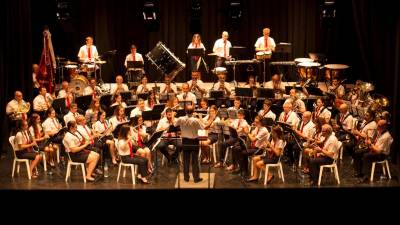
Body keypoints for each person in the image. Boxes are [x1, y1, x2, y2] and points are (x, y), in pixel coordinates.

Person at [174, 105, 204, 182]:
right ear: (193, 112)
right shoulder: (196, 120)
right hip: (194, 141)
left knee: (186, 160)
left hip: (185, 141)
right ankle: (196, 178)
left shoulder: (181, 119)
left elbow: (174, 125)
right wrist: (199, 118)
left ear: (185, 111)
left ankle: (186, 177)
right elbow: (202, 128)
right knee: (194, 160)